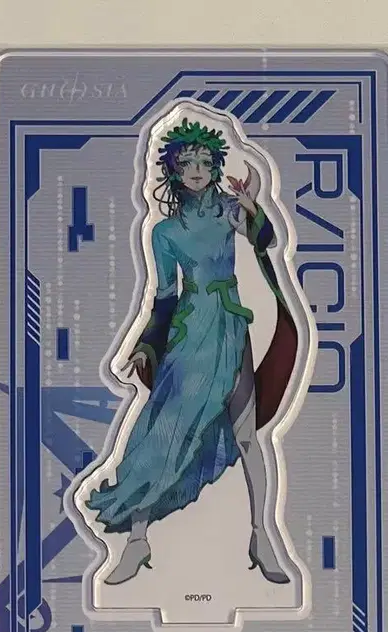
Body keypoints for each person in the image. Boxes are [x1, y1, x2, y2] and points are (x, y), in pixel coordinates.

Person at [86, 118, 299, 585]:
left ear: (216, 166)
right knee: (161, 436)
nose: (197, 170)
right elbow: (163, 297)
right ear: (174, 170)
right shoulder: (164, 232)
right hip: (188, 338)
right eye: (187, 163)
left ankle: (261, 537)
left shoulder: (227, 210)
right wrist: (145, 345)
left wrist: (254, 205)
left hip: (230, 330)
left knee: (248, 438)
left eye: (204, 161)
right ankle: (136, 541)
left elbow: (266, 242)